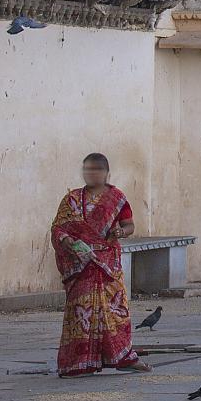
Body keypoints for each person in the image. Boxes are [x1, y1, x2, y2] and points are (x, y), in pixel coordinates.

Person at [50, 152, 148, 377]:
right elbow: (57, 228)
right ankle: (78, 364)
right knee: (80, 313)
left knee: (114, 313)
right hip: (80, 265)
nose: (91, 174)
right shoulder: (72, 200)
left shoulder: (117, 198)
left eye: (97, 170)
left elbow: (129, 225)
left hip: (107, 265)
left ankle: (124, 357)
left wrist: (120, 232)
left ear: (106, 173)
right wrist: (66, 240)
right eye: (88, 170)